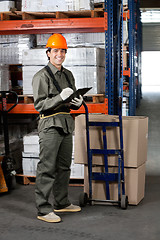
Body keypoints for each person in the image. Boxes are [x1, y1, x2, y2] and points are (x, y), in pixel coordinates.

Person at [32, 33, 83, 223]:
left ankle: (61, 202)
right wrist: (60, 97)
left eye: (63, 51)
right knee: (47, 167)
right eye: (55, 51)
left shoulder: (68, 74)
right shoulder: (41, 76)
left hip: (66, 123)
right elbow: (39, 105)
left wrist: (76, 102)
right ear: (48, 53)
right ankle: (44, 209)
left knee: (63, 167)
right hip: (50, 125)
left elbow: (69, 101)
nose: (59, 54)